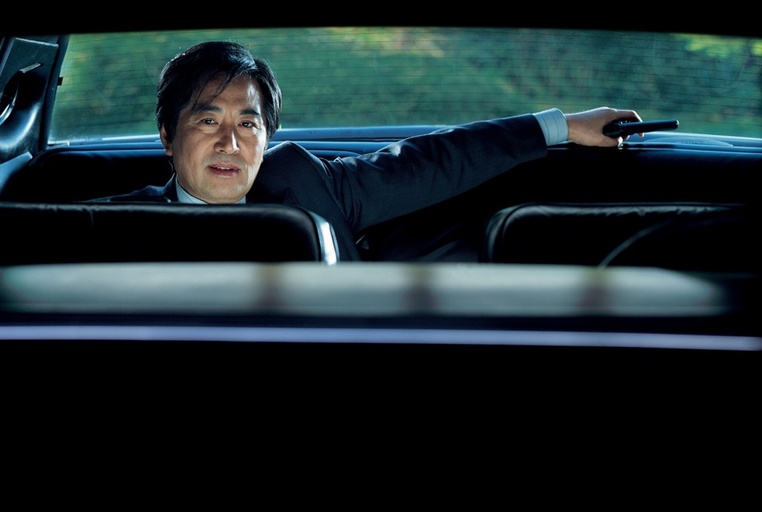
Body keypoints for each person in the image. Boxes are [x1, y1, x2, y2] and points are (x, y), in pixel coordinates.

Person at [92, 40, 642, 261]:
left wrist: (562, 125)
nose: (230, 143)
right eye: (208, 120)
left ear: (268, 138)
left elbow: (435, 160)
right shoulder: (108, 227)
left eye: (249, 124)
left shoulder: (303, 183)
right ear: (167, 136)